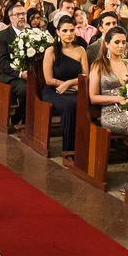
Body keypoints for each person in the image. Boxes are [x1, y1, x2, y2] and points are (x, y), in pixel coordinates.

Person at [88, 27, 128, 187]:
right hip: (111, 113)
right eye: (117, 42)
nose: (121, 46)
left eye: (123, 42)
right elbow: (93, 97)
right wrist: (118, 99)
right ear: (107, 43)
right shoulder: (98, 65)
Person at [42, 15, 88, 154]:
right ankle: (68, 150)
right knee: (70, 105)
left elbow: (86, 76)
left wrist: (70, 83)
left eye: (71, 30)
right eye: (65, 31)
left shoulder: (80, 50)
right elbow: (49, 79)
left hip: (74, 88)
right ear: (58, 32)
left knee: (85, 102)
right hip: (52, 90)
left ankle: (84, 148)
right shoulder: (51, 51)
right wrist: (66, 85)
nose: (69, 34)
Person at [0, 1, 30, 125]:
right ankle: (20, 119)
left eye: (23, 14)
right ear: (11, 17)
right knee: (26, 90)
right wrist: (20, 74)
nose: (21, 17)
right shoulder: (2, 36)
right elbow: (2, 62)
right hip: (11, 74)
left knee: (43, 89)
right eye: (18, 14)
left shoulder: (33, 33)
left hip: (30, 72)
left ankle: (30, 122)